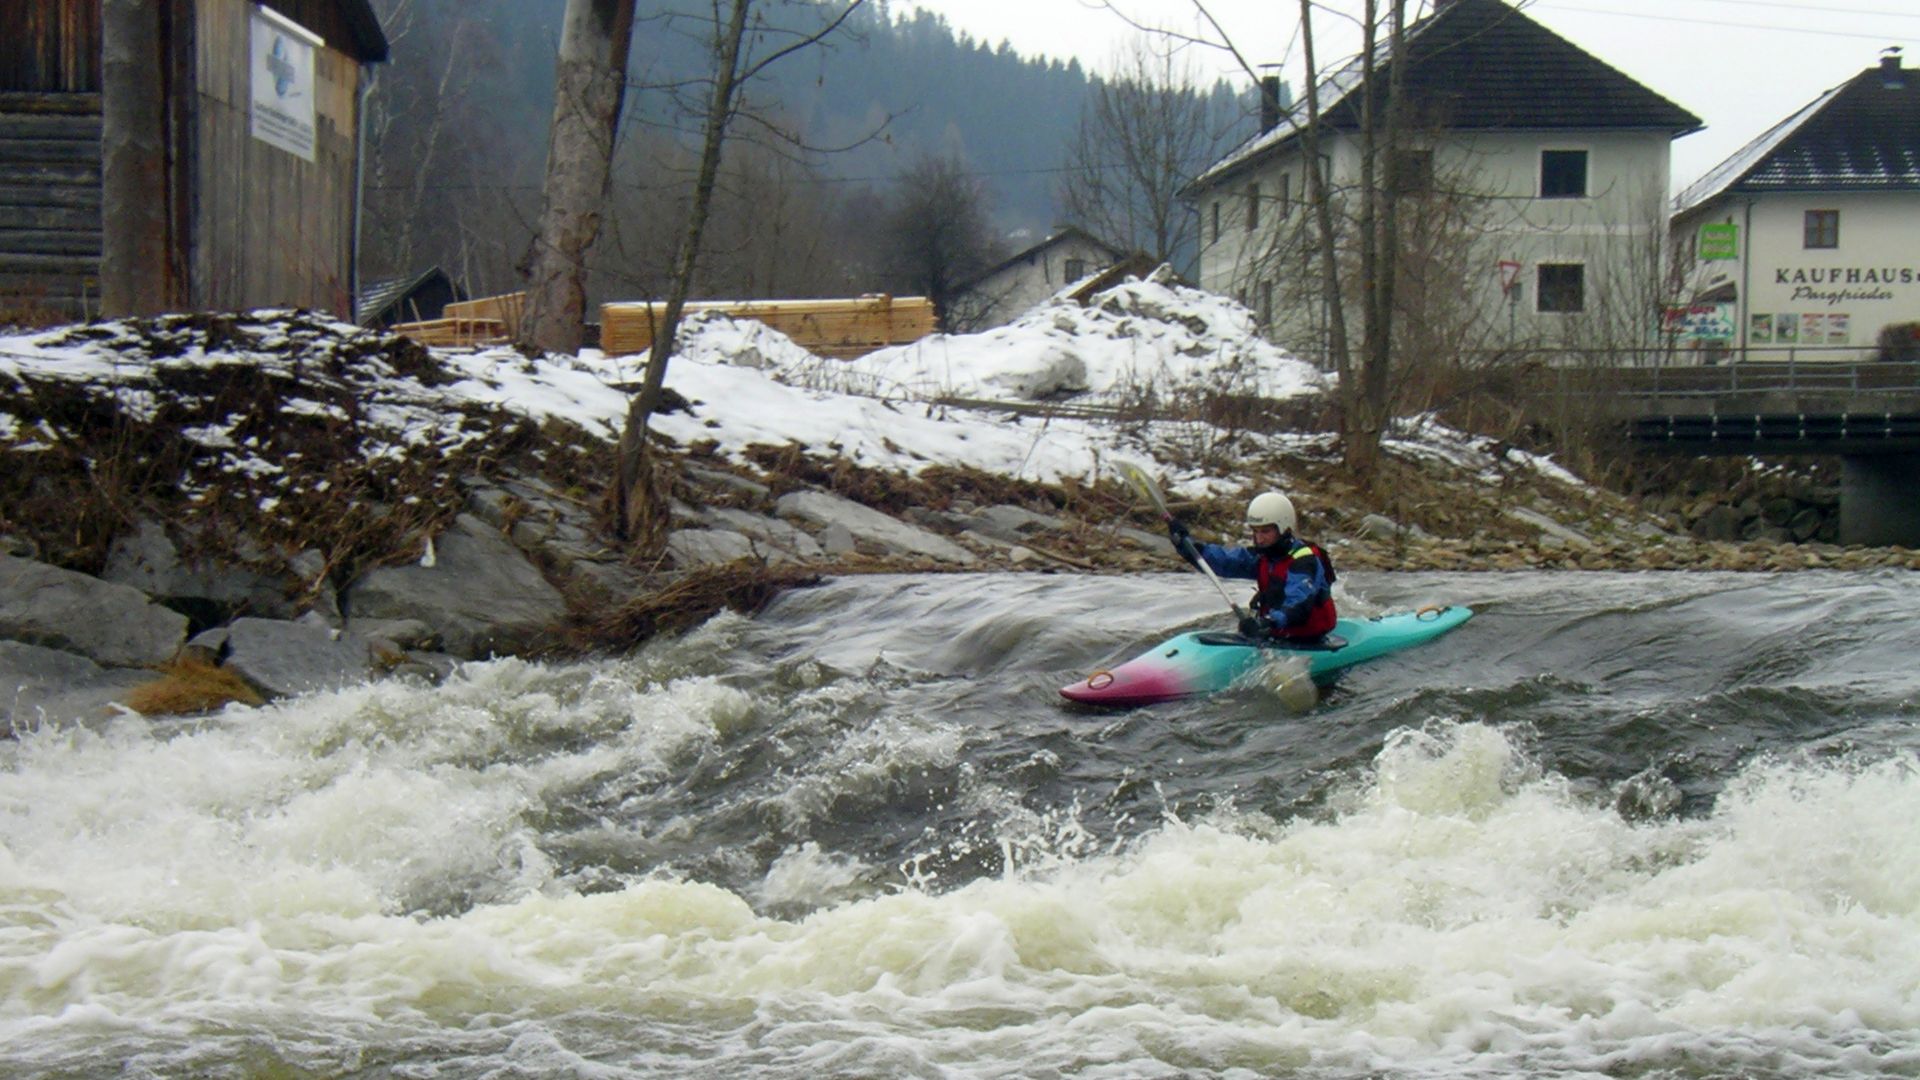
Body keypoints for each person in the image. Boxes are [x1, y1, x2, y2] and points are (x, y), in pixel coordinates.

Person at [1166, 491, 1337, 641]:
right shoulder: (1264, 556)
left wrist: (1266, 622)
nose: (1259, 539)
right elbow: (1223, 560)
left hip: (1309, 639)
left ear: (1284, 528)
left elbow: (1298, 605)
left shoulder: (1304, 561)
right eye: (1255, 531)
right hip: (1275, 633)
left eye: (1265, 531)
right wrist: (1186, 545)